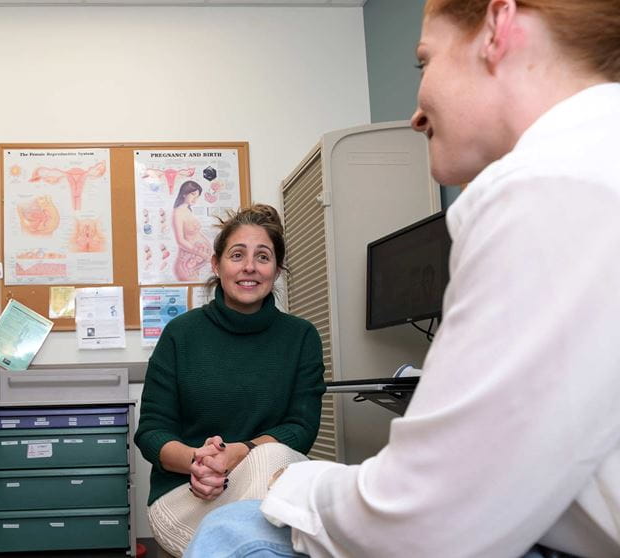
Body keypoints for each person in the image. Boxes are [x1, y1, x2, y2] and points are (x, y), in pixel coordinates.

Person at [187, 1, 620, 556]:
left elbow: (427, 515)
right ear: (217, 263)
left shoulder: (544, 188)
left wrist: (290, 484)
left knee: (233, 530)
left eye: (424, 62)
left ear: (499, 25)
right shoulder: (584, 168)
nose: (416, 114)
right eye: (237, 255)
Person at [135, 204, 326, 557]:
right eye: (237, 255)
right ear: (216, 264)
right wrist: (200, 463)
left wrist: (240, 453)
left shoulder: (301, 337)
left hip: (268, 486)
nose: (249, 266)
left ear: (277, 269)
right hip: (188, 496)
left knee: (270, 459)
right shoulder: (181, 334)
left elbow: (302, 427)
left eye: (263, 257)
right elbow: (151, 432)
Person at [172, 180, 213, 281]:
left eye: (197, 196)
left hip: (195, 263)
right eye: (193, 194)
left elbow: (197, 234)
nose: (195, 198)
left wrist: (210, 251)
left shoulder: (188, 210)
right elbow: (180, 241)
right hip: (186, 265)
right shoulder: (178, 212)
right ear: (184, 194)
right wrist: (202, 254)